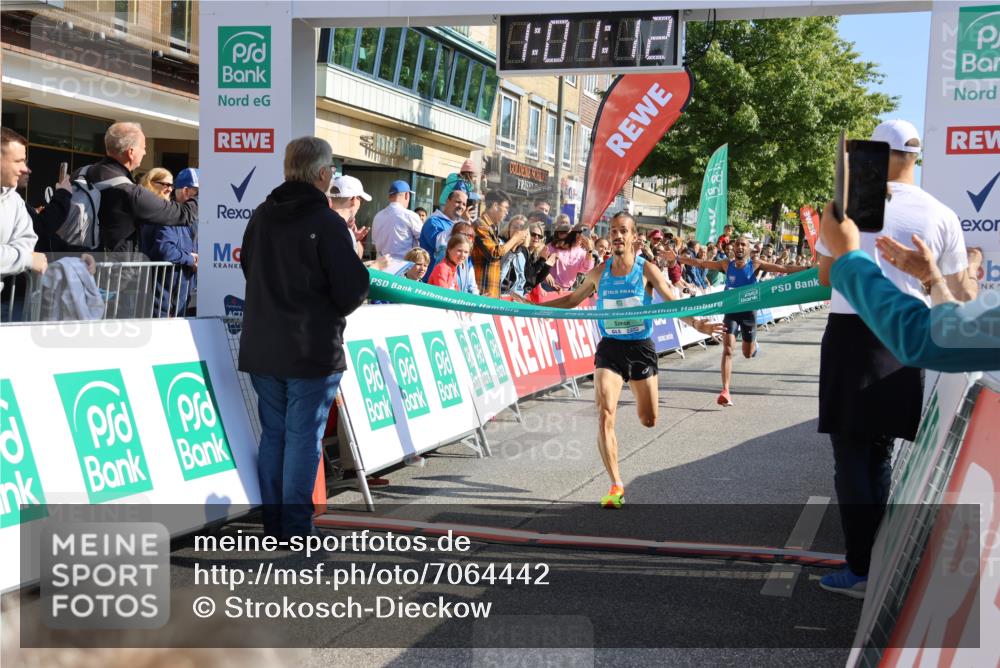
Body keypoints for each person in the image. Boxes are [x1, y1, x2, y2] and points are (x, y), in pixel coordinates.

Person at [812, 119, 977, 598]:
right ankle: (876, 561)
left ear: (873, 157)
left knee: (850, 456)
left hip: (850, 331)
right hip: (905, 334)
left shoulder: (844, 206)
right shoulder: (941, 214)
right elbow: (958, 292)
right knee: (881, 452)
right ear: (915, 157)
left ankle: (861, 567)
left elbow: (827, 275)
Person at [239, 136, 369, 540]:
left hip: (263, 345)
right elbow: (350, 290)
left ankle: (276, 524)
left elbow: (249, 269)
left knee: (275, 438)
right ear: (323, 174)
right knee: (301, 441)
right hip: (311, 348)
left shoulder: (261, 215)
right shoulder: (326, 223)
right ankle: (294, 527)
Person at [545, 212, 722, 508]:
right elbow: (573, 301)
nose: (616, 235)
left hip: (640, 348)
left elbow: (672, 301)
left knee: (649, 419)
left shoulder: (646, 269)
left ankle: (641, 418)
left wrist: (698, 325)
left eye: (623, 231)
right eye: (613, 230)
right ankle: (615, 484)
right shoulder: (599, 273)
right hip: (610, 349)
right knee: (604, 413)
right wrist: (534, 306)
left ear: (633, 237)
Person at [819, 202, 994, 372]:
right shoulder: (941, 214)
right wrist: (932, 277)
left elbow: (933, 339)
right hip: (886, 335)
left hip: (860, 334)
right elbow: (957, 330)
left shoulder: (848, 207)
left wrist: (848, 258)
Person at [677, 235, 810, 406]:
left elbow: (783, 268)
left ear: (748, 248)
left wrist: (808, 269)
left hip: (748, 313)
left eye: (743, 245)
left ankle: (753, 342)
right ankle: (725, 390)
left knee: (747, 354)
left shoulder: (755, 263)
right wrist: (679, 258)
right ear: (733, 248)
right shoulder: (726, 264)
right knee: (728, 350)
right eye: (737, 244)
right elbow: (701, 263)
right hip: (731, 311)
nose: (739, 247)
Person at [140, 167, 199, 317]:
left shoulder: (196, 220)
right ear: (186, 191)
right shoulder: (166, 217)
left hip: (181, 296)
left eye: (171, 185)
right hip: (164, 301)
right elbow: (164, 249)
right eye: (197, 193)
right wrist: (191, 259)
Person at [0, 128, 46, 293]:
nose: (25, 169)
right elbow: (29, 255)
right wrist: (26, 259)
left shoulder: (14, 200)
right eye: (18, 161)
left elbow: (28, 242)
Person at [472, 189, 527, 298]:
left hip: (491, 293)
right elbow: (494, 254)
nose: (507, 212)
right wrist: (515, 238)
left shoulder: (492, 227)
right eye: (506, 208)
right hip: (482, 293)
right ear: (495, 206)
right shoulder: (480, 225)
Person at [419, 186, 468, 278]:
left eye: (464, 204)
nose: (461, 206)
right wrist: (459, 224)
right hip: (433, 280)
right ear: (447, 201)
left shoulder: (460, 224)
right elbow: (439, 244)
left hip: (453, 280)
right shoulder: (433, 221)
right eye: (458, 202)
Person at [371, 180, 422, 260]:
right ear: (406, 195)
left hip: (381, 267)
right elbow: (423, 240)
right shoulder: (410, 215)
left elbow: (374, 244)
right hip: (403, 268)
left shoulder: (377, 216)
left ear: (390, 197)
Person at [546, 215, 594, 291]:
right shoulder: (557, 244)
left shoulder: (582, 253)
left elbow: (586, 268)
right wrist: (546, 274)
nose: (580, 235)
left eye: (585, 233)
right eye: (579, 232)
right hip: (548, 287)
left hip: (566, 290)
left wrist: (589, 250)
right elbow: (540, 261)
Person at [499, 215, 529, 297]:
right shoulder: (500, 245)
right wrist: (513, 244)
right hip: (496, 295)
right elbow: (499, 272)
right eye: (515, 227)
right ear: (508, 229)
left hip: (510, 300)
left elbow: (520, 285)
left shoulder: (521, 255)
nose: (518, 231)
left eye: (522, 228)